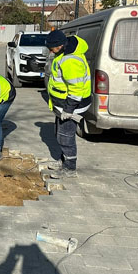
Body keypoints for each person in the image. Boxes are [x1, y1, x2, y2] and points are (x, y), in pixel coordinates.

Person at [45, 30, 92, 178]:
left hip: (71, 106)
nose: (50, 51)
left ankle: (70, 169)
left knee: (66, 136)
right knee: (59, 133)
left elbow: (76, 89)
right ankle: (63, 160)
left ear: (59, 46)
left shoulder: (70, 60)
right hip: (63, 104)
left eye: (51, 48)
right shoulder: (64, 53)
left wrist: (69, 110)